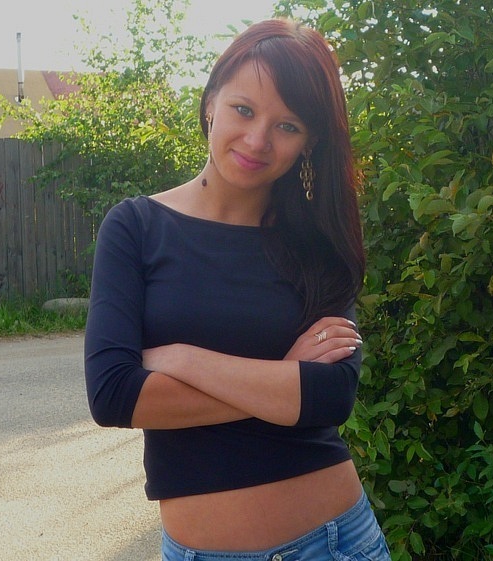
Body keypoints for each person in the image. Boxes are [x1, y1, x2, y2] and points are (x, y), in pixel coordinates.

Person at [85, 18, 390, 561]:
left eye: (287, 125)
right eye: (244, 110)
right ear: (211, 103)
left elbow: (329, 397)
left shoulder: (316, 242)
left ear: (309, 143)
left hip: (334, 543)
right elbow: (114, 396)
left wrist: (184, 359)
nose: (257, 140)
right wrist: (281, 380)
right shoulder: (135, 227)